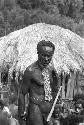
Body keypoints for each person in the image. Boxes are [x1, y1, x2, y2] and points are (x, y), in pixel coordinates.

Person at [18, 40, 59, 125]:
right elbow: (22, 93)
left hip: (49, 109)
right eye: (43, 55)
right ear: (38, 53)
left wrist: (56, 83)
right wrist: (21, 114)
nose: (46, 59)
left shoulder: (51, 70)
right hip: (35, 108)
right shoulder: (30, 71)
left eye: (49, 56)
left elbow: (54, 91)